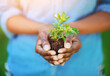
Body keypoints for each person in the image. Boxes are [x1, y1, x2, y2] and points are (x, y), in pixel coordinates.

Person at [0, 0, 110, 76]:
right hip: (26, 66)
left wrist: (72, 28)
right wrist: (41, 28)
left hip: (84, 67)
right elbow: (6, 11)